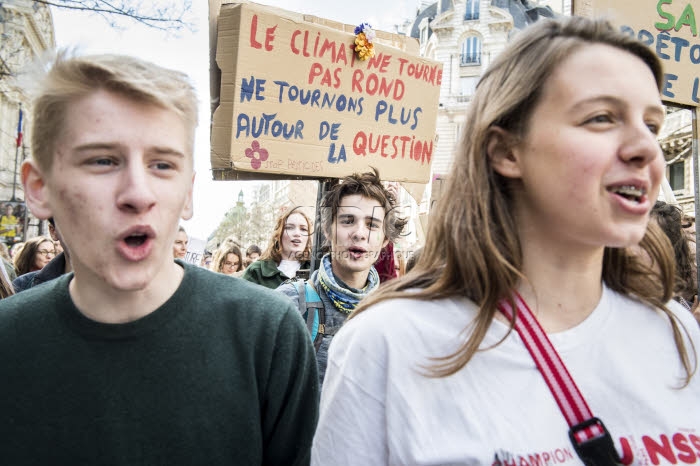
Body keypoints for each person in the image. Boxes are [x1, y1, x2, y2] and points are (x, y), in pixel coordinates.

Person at [311, 16, 700, 465]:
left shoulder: (675, 331)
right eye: (601, 118)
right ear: (506, 151)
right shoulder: (389, 345)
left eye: (652, 125)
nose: (646, 149)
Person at [0, 51, 318, 465]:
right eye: (102, 160)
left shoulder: (267, 337)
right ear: (40, 187)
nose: (138, 193)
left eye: (162, 165)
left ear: (187, 193)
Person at [277, 169, 407, 384]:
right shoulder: (288, 304)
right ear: (328, 230)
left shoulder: (394, 316)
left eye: (372, 224)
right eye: (348, 221)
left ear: (385, 239)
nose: (359, 233)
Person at [242, 207, 312, 289]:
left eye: (303, 229)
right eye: (289, 227)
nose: (297, 233)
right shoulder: (256, 271)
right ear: (278, 234)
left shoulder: (317, 270)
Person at [13, 218, 72, 293]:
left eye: (52, 252)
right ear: (53, 231)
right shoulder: (22, 283)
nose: (49, 256)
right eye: (43, 252)